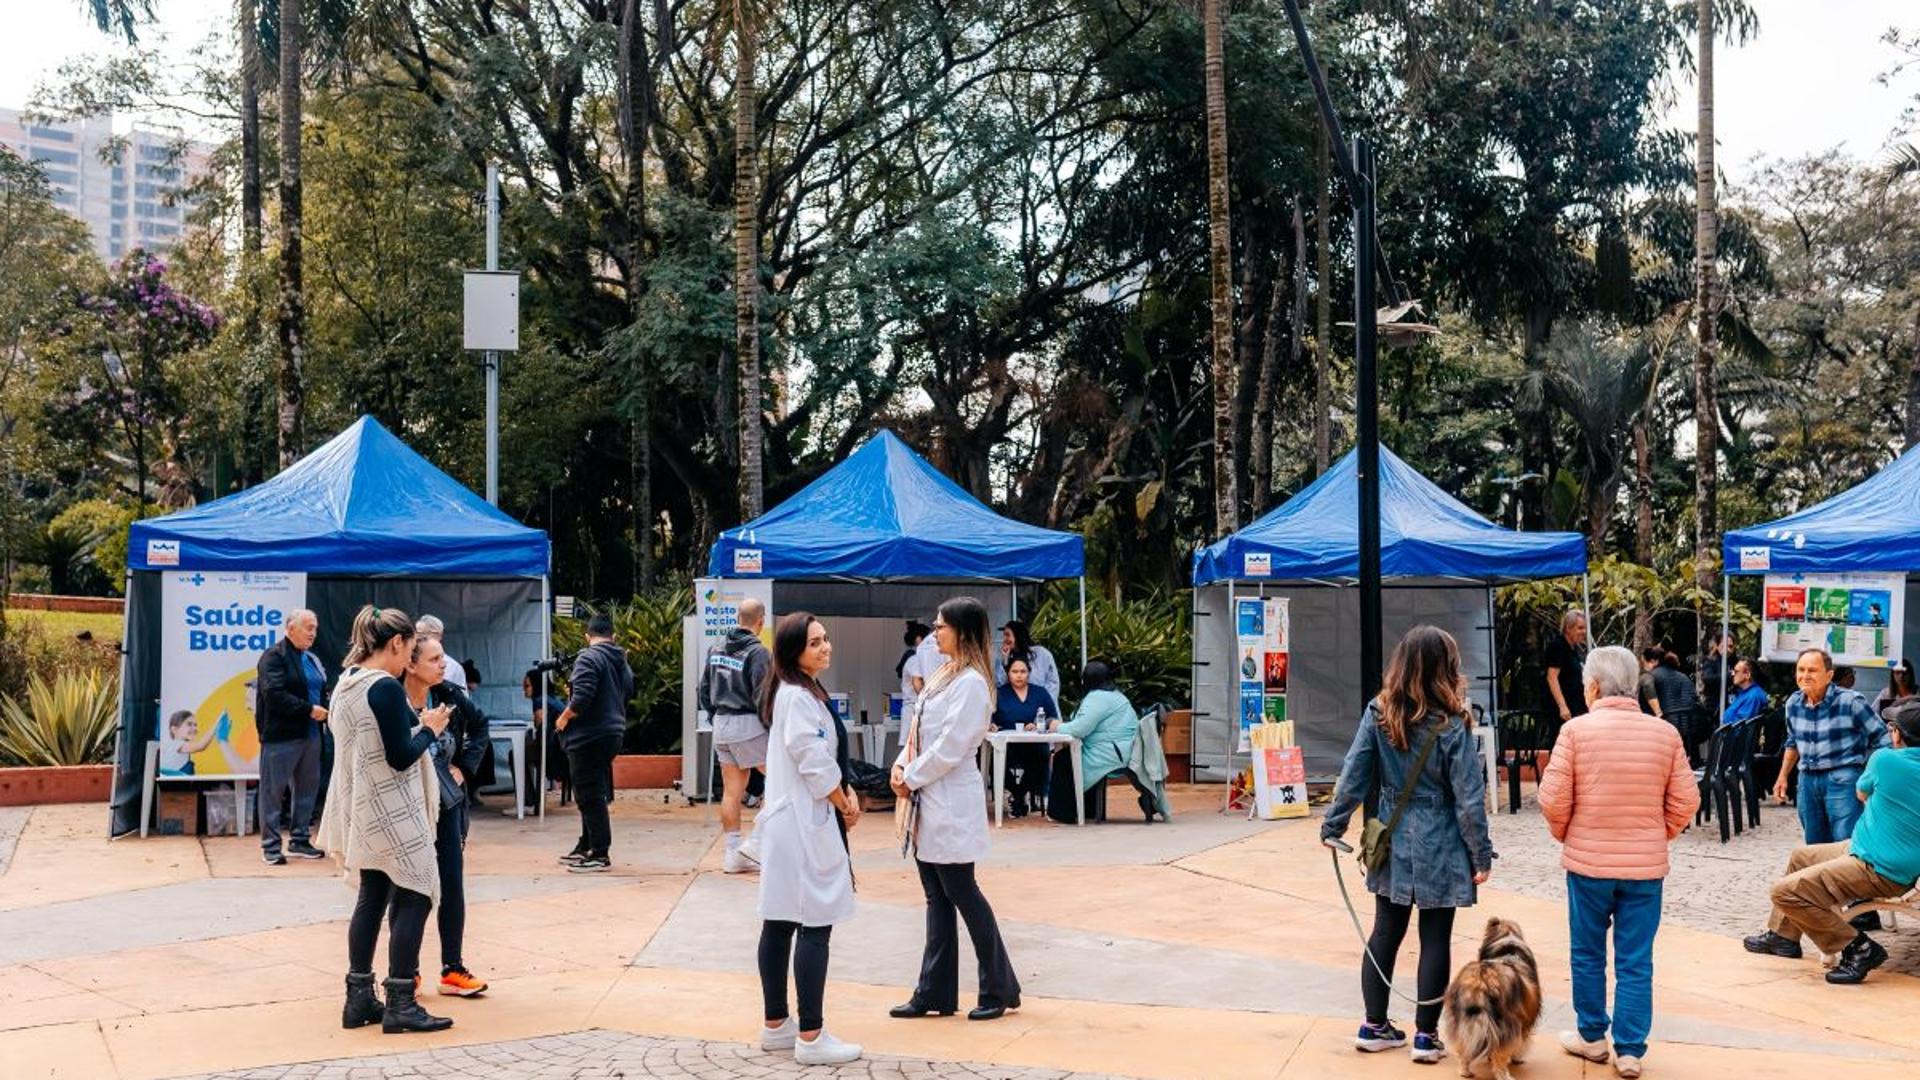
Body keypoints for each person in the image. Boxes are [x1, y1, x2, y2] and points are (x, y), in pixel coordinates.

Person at [1321, 626, 1493, 1067]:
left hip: (1392, 834)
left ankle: (1373, 1026)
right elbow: (1469, 798)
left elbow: (1354, 772)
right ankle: (1425, 1037)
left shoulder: (1379, 712)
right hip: (1441, 839)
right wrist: (1480, 853)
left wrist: (1333, 824)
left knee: (1385, 930)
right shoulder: (1453, 722)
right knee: (1435, 938)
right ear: (1446, 667)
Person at [1538, 645, 1699, 1079]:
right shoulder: (1665, 734)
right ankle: (1629, 1051)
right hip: (1645, 871)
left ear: (1592, 687)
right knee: (1636, 960)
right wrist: (1657, 834)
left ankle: (1592, 1037)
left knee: (1587, 954)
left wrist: (1569, 834)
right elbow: (1687, 800)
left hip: (1588, 867)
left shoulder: (1575, 732)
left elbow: (1552, 799)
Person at [315, 605, 455, 1035]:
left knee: (372, 897)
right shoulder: (385, 688)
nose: (408, 661)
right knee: (416, 893)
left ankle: (358, 998)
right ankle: (401, 1002)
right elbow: (400, 756)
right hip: (394, 812)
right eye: (409, 651)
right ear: (396, 643)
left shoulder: (346, 682)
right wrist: (430, 728)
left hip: (363, 808)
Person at [889, 596, 1021, 1022]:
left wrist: (910, 776)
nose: (934, 632)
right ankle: (934, 992)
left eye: (941, 626)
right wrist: (901, 765)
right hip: (929, 798)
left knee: (962, 893)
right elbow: (919, 732)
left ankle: (998, 988)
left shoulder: (972, 684)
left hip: (949, 801)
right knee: (937, 899)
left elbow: (950, 746)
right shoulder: (944, 674)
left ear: (962, 632)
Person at [1742, 700, 1920, 984]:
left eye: (1891, 727)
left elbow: (1862, 794)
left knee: (1783, 892)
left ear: (1897, 734)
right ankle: (1783, 936)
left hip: (1879, 869)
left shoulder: (1885, 760)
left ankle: (1858, 947)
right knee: (1799, 857)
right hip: (1879, 855)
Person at [755, 611, 863, 1066]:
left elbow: (819, 758)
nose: (825, 647)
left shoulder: (797, 691)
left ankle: (777, 1025)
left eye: (825, 639)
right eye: (814, 642)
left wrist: (843, 792)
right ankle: (812, 1036)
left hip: (792, 822)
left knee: (780, 920)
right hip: (802, 824)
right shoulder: (798, 697)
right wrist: (842, 802)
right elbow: (813, 759)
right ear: (792, 651)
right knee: (815, 922)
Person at [402, 635, 490, 998]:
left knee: (451, 883)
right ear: (410, 664)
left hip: (448, 805)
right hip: (408, 808)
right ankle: (406, 972)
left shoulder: (450, 694)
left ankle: (453, 968)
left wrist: (464, 767)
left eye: (442, 658)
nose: (443, 665)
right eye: (434, 659)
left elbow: (481, 726)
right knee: (410, 889)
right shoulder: (393, 699)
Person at [1773, 647, 1890, 845]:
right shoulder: (1793, 703)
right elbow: (1793, 742)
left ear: (1829, 675)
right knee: (1814, 844)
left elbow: (1883, 738)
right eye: (1801, 670)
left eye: (1812, 670)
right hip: (1807, 781)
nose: (1805, 675)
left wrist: (1871, 775)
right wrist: (1782, 776)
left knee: (1845, 844)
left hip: (1843, 779)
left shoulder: (1851, 702)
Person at [555, 613, 635, 872]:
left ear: (587, 636)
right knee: (592, 790)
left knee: (589, 795)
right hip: (613, 732)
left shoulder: (588, 658)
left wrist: (564, 717)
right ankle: (586, 845)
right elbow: (628, 691)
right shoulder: (621, 660)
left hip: (588, 736)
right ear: (614, 636)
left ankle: (599, 853)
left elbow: (582, 696)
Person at [700, 597, 774, 874]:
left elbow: (703, 689)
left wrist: (714, 716)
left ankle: (732, 855)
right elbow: (762, 695)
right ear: (761, 621)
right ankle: (755, 844)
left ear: (738, 618)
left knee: (732, 792)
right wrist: (771, 727)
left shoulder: (716, 648)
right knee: (780, 781)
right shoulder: (758, 652)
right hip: (749, 724)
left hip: (721, 724)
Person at [256, 608, 330, 865]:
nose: (313, 633)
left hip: (312, 735)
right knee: (273, 792)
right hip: (281, 737)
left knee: (307, 790)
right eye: (308, 627)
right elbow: (274, 695)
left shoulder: (312, 659)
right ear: (290, 629)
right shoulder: (273, 657)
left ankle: (299, 840)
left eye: (315, 628)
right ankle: (270, 846)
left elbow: (321, 690)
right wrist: (309, 709)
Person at [1045, 661, 1139, 825]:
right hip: (1122, 750)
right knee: (1073, 756)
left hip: (1110, 753)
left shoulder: (1098, 698)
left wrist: (1055, 726)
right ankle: (1089, 810)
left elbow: (1080, 729)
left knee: (1063, 759)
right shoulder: (1116, 695)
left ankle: (1062, 813)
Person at [992, 656, 1059, 818]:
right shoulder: (999, 694)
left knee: (1042, 754)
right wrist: (992, 725)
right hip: (1007, 744)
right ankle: (1018, 793)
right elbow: (989, 717)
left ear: (1029, 673)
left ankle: (1019, 794)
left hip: (1033, 743)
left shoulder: (1040, 692)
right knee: (996, 756)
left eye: (1023, 671)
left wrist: (1038, 725)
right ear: (1008, 673)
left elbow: (1053, 717)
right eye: (1014, 671)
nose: (1019, 675)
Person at [1640, 647, 1701, 765]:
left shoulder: (1650, 676)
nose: (1644, 667)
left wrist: (1658, 713)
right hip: (1691, 734)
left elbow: (1647, 686)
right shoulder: (1683, 676)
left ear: (1653, 661)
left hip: (1665, 732)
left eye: (1644, 663)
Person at [1544, 609, 1588, 739]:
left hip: (1577, 705)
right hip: (1564, 709)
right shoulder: (1557, 646)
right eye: (1580, 628)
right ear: (1568, 628)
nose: (1584, 632)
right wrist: (1563, 707)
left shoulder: (1575, 649)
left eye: (1584, 628)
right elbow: (1552, 677)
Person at [995, 619, 1061, 703]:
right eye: (1004, 635)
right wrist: (1005, 661)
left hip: (1042, 707)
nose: (1004, 639)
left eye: (1007, 635)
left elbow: (1053, 682)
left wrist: (1042, 703)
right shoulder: (1004, 659)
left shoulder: (1041, 654)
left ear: (1017, 635)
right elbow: (1000, 686)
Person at [413, 615, 466, 691]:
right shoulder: (406, 660)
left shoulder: (454, 668)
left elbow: (461, 697)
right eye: (417, 633)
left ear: (439, 636)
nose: (419, 638)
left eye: (424, 634)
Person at [158, 710, 217, 776]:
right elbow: (200, 746)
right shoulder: (177, 744)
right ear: (174, 729)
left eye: (195, 725)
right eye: (189, 724)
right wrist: (217, 725)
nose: (194, 728)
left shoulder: (173, 745)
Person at [1719, 659, 1770, 728]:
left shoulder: (1753, 696)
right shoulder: (1745, 692)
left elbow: (1741, 728)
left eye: (1736, 671)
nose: (1732, 674)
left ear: (1748, 675)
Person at [897, 620, 932, 714]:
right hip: (914, 708)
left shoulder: (920, 658)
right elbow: (917, 683)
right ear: (919, 639)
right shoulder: (915, 659)